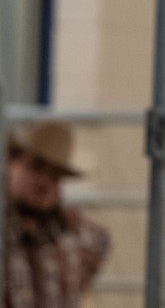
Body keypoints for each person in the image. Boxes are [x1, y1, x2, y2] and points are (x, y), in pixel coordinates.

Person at [4, 121, 110, 308]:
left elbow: (99, 238)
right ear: (11, 163)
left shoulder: (70, 233)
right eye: (36, 166)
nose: (45, 182)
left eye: (56, 175)